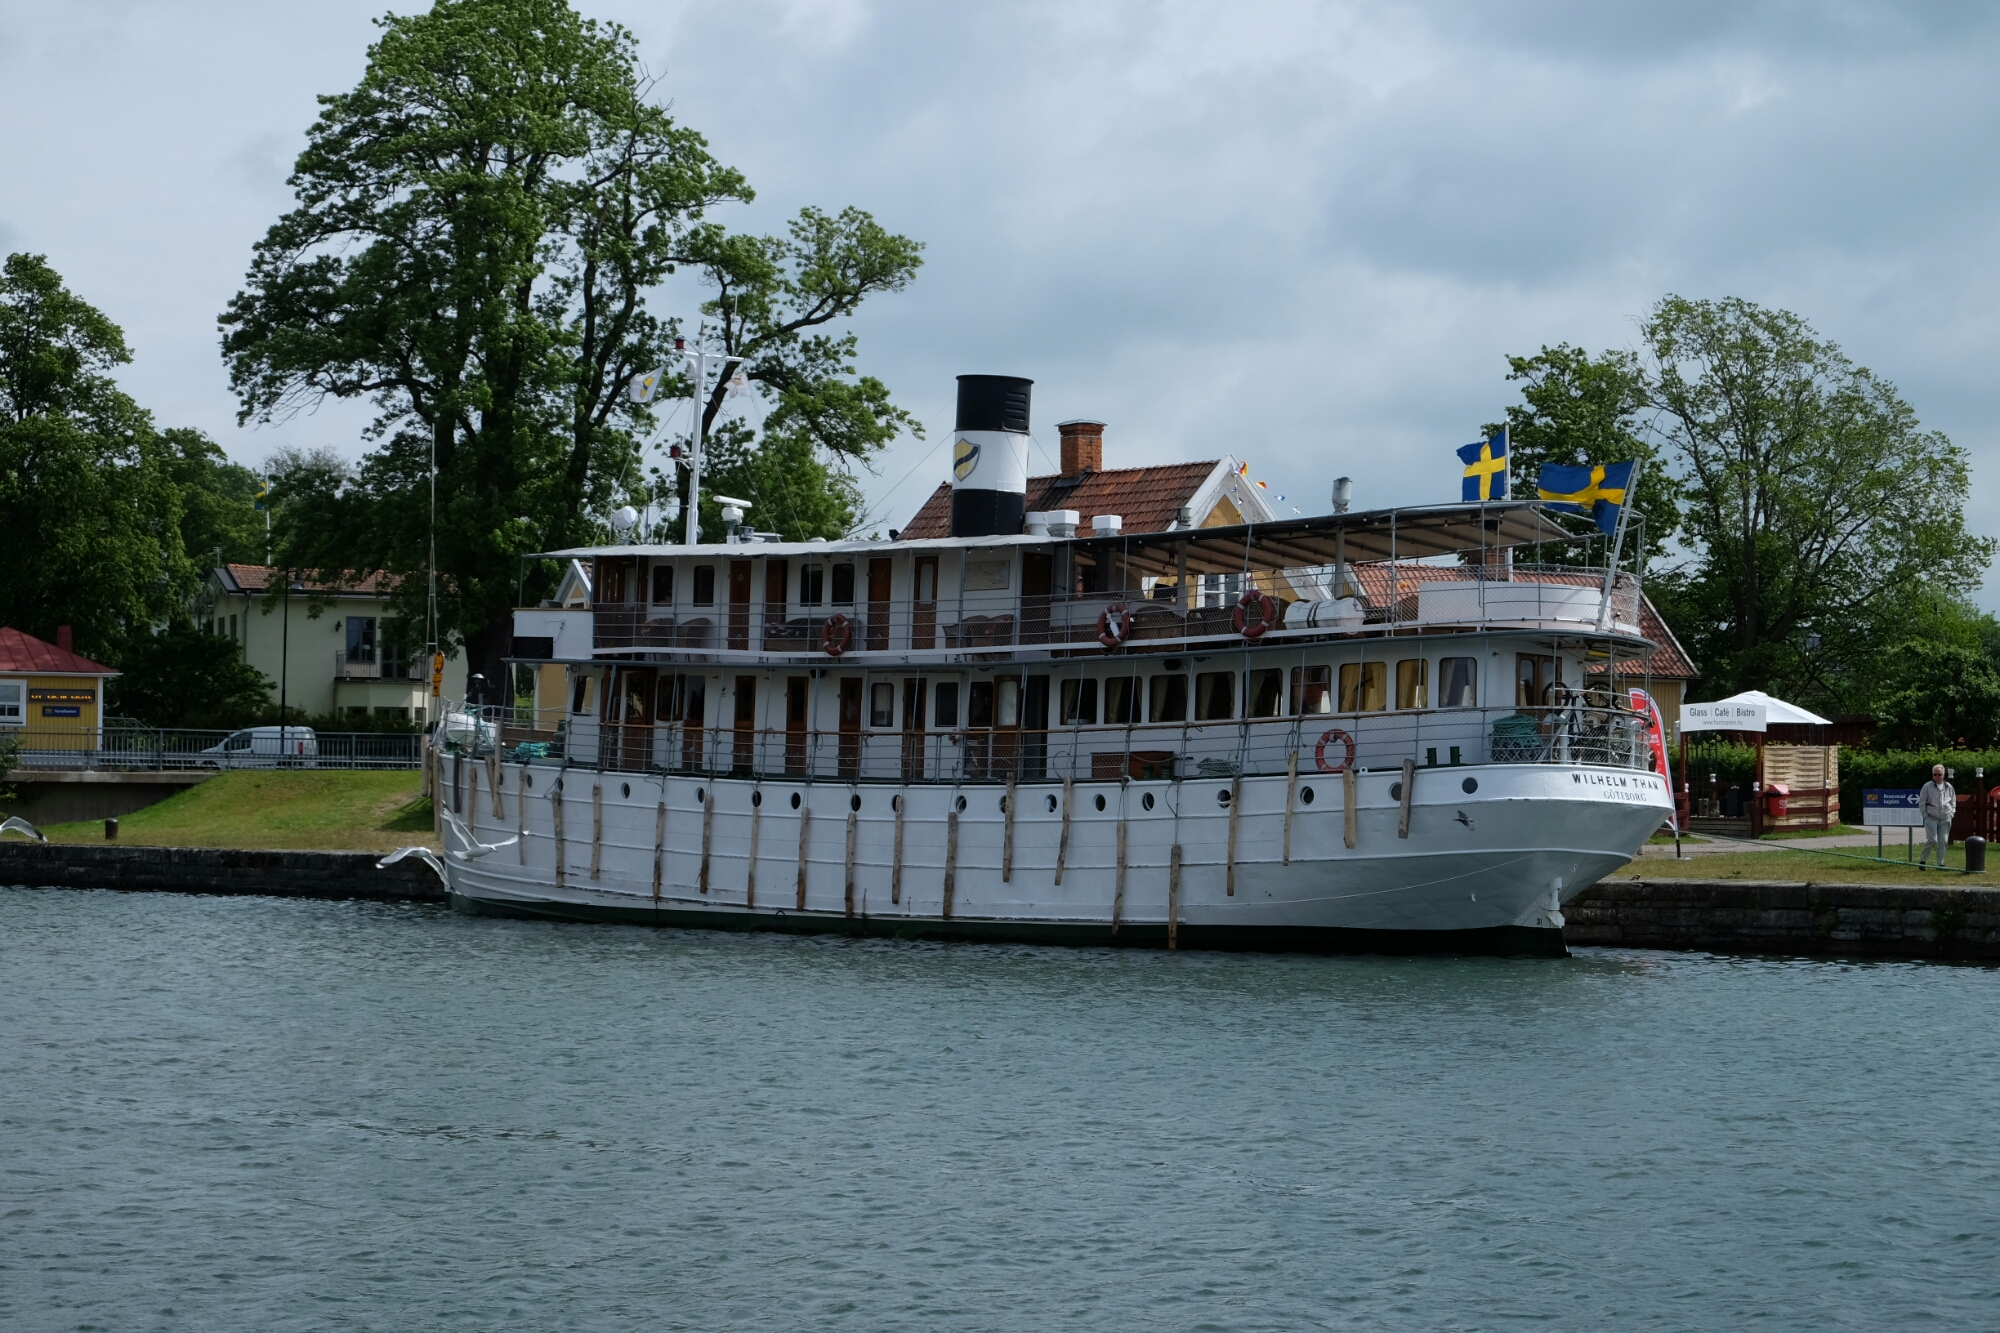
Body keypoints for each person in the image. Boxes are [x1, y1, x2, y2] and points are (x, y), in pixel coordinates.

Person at [1919, 764, 1956, 869]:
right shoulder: (1927, 786)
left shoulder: (1949, 787)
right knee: (1932, 840)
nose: (1937, 776)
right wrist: (1925, 815)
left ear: (1943, 775)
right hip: (1931, 817)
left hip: (1945, 818)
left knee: (1943, 842)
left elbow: (1953, 801)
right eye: (1934, 774)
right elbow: (1922, 802)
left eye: (1939, 774)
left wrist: (1951, 813)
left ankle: (1940, 864)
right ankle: (1922, 861)